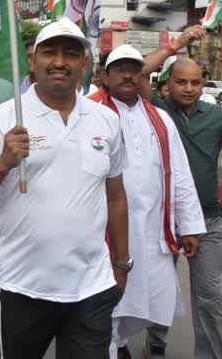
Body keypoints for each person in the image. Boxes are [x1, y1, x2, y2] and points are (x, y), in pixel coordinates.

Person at [0, 18, 130, 359]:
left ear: (85, 63)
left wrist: (121, 264)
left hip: (91, 289)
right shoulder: (6, 116)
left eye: (70, 54)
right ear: (33, 60)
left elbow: (116, 196)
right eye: (49, 52)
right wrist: (2, 163)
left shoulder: (106, 120)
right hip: (23, 287)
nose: (59, 61)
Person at [93, 45, 205, 359]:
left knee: (146, 300)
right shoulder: (91, 112)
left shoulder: (160, 120)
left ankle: (120, 343)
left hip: (152, 229)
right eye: (119, 68)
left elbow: (179, 175)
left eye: (134, 68)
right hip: (104, 233)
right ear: (105, 75)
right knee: (106, 302)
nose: (128, 75)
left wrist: (191, 227)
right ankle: (111, 348)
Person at [136, 25, 222, 357]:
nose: (188, 88)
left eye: (196, 82)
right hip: (163, 217)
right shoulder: (155, 111)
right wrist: (178, 44)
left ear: (203, 85)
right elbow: (140, 71)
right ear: (167, 84)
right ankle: (155, 344)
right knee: (161, 289)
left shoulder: (216, 116)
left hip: (209, 219)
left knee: (211, 298)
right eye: (181, 81)